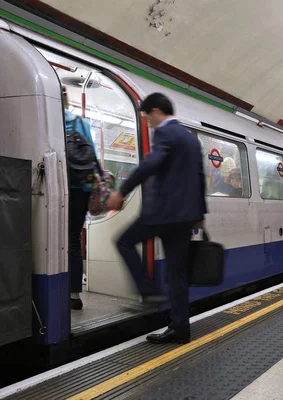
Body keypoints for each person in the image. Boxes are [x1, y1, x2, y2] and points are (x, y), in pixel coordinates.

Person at [106, 93, 207, 344]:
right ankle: (180, 328)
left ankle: (149, 292)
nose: (148, 123)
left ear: (155, 111)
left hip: (162, 214)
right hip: (185, 217)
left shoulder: (164, 133)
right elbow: (198, 177)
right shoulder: (190, 138)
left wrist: (121, 191)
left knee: (124, 242)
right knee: (177, 273)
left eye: (147, 117)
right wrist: (200, 213)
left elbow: (150, 164)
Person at [63, 86, 96, 311]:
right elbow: (92, 154)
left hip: (57, 186)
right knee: (74, 239)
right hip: (81, 189)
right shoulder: (79, 122)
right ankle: (74, 295)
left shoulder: (47, 120)